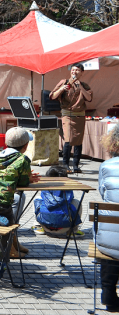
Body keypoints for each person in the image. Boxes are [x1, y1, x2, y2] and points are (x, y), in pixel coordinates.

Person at [0, 127, 39, 261]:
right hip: (3, 207)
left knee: (18, 198)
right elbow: (23, 182)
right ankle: (8, 250)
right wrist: (28, 178)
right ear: (26, 146)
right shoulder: (23, 159)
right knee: (15, 205)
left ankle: (13, 241)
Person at [50, 63, 93, 173]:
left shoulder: (84, 85)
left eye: (77, 70)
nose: (74, 72)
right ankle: (65, 164)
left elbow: (88, 98)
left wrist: (80, 87)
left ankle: (76, 165)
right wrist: (62, 89)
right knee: (68, 139)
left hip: (80, 116)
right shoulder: (64, 82)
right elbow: (53, 96)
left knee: (78, 140)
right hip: (67, 115)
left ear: (82, 73)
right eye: (73, 70)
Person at [94, 125, 119, 311]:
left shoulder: (106, 166)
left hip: (109, 239)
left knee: (111, 244)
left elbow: (104, 194)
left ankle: (108, 292)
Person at [32, 165, 83, 236]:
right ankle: (73, 230)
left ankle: (38, 226)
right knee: (75, 202)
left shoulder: (45, 187)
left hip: (45, 225)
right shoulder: (68, 188)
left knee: (37, 198)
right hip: (65, 226)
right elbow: (70, 199)